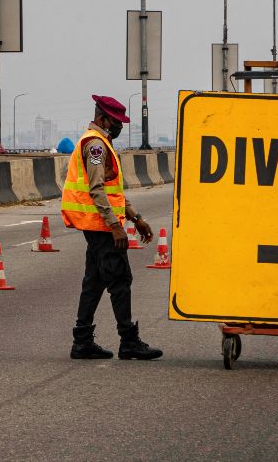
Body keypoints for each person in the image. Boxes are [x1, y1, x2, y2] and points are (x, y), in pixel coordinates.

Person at [61, 94, 163, 361]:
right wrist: (115, 226)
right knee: (120, 280)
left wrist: (135, 217)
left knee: (93, 282)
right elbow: (96, 190)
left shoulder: (100, 142)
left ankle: (82, 341)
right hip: (102, 226)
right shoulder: (95, 145)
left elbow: (111, 190)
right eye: (116, 122)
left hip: (98, 225)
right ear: (102, 118)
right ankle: (129, 341)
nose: (119, 127)